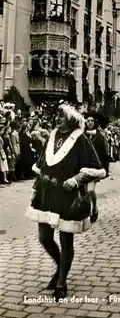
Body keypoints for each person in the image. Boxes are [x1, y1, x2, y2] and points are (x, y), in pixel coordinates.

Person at [25, 104, 106, 301]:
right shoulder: (52, 136)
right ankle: (61, 266)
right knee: (44, 237)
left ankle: (61, 281)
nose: (57, 119)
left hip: (67, 194)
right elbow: (42, 164)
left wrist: (77, 179)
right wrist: (36, 188)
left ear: (71, 119)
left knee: (65, 240)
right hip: (46, 192)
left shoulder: (81, 139)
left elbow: (96, 167)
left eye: (62, 116)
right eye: (56, 116)